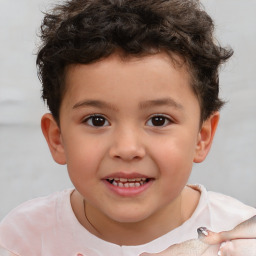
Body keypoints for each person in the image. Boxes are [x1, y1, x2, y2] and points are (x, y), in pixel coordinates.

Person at [0, 0, 255, 255]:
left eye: (158, 120)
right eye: (97, 120)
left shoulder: (242, 237)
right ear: (58, 139)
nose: (127, 148)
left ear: (202, 137)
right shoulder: (23, 238)